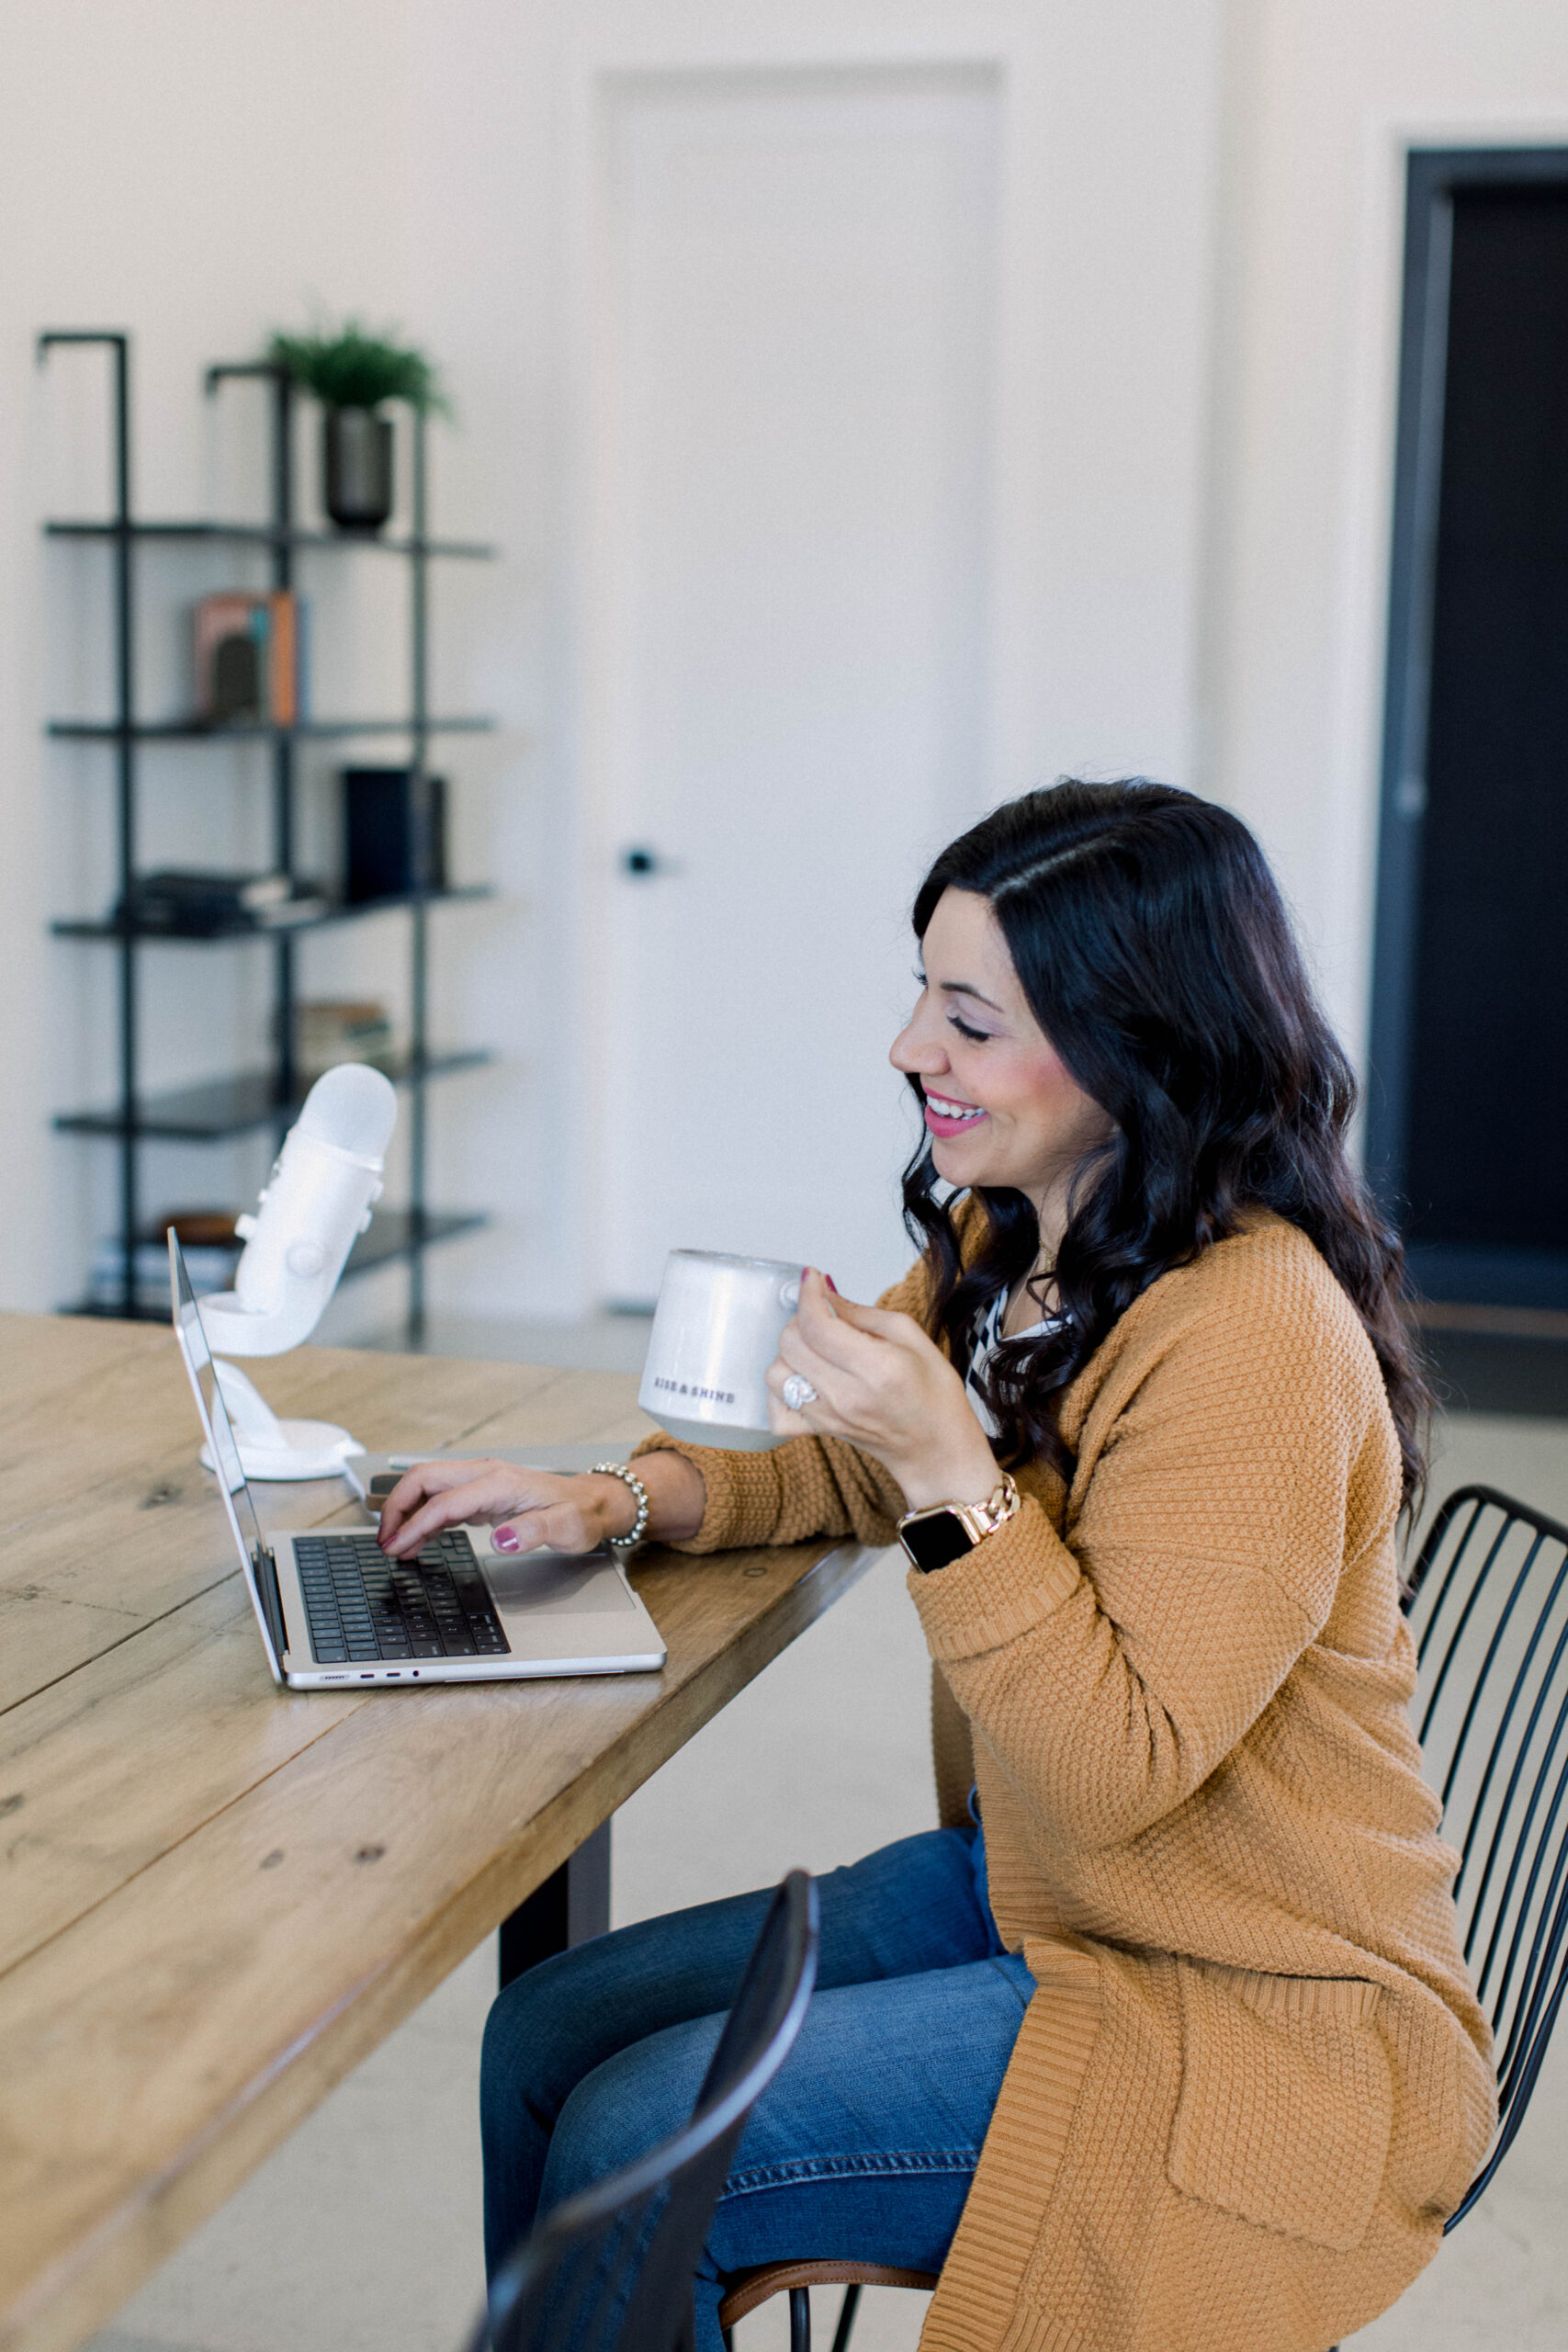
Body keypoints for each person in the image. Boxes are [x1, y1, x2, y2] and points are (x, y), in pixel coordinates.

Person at [378, 781, 1496, 2352]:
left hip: (1239, 1990)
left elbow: (1117, 1766)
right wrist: (613, 1503)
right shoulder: (1024, 1232)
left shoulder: (1251, 1334)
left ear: (1137, 1051)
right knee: (549, 2032)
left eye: (969, 1017)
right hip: (1042, 1892)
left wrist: (951, 1475)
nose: (911, 1047)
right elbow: (858, 1448)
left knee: (641, 2138)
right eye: (922, 992)